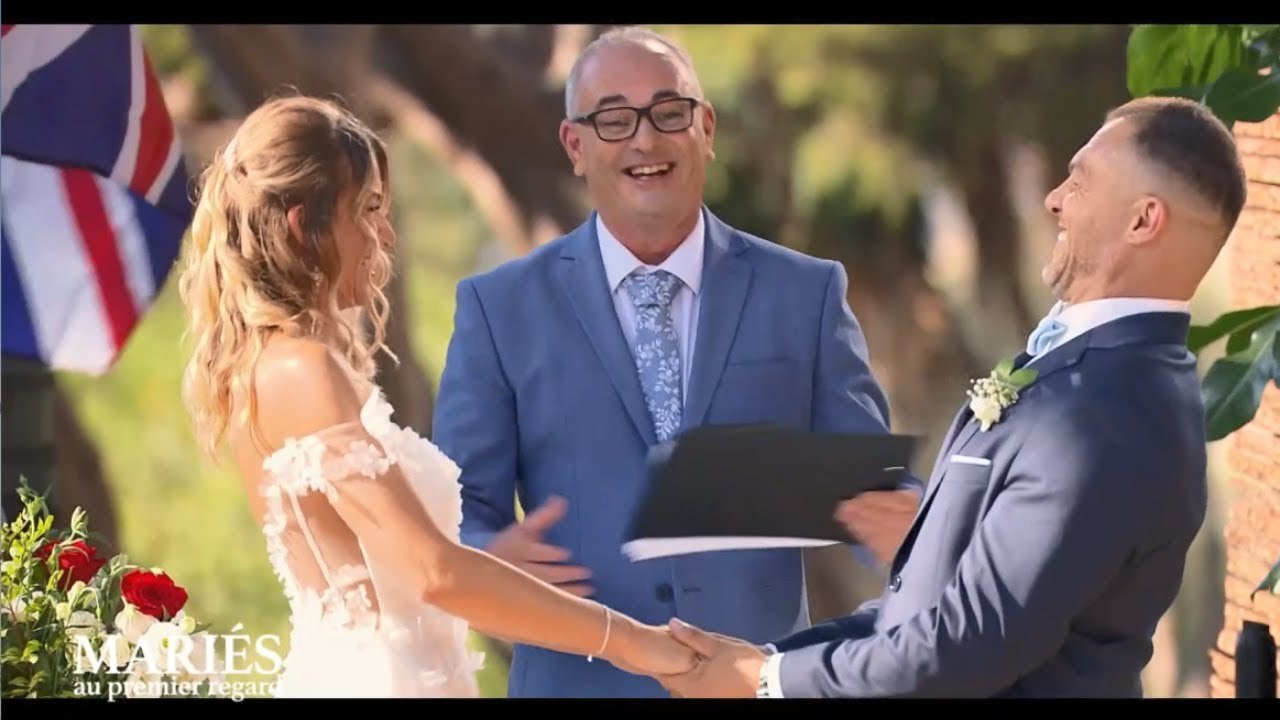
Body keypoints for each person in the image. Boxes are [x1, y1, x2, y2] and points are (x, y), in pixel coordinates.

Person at [653, 95, 1245, 698]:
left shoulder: (1107, 415)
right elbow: (923, 610)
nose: (1055, 197)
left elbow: (965, 647)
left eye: (1081, 180)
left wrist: (764, 681)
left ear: (1143, 222)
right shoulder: (1094, 375)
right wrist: (767, 660)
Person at [431, 26, 920, 698]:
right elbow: (455, 511)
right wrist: (488, 555)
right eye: (614, 119)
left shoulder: (806, 293)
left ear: (706, 127)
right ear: (575, 145)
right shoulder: (500, 307)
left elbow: (874, 493)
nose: (644, 139)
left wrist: (923, 535)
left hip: (756, 681)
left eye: (669, 112)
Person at [175, 94, 698, 699]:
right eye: (368, 210)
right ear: (302, 223)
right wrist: (635, 644)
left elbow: (394, 568)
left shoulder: (277, 366)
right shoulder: (302, 370)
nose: (386, 236)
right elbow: (433, 574)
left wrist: (492, 559)